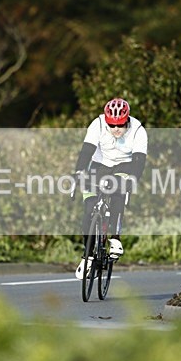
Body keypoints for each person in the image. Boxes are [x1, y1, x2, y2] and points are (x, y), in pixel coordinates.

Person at [73, 98, 148, 279]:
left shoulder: (138, 130)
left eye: (121, 125)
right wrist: (78, 172)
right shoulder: (97, 125)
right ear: (106, 120)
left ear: (127, 120)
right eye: (112, 125)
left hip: (124, 166)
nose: (116, 129)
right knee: (89, 209)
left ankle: (115, 238)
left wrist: (132, 179)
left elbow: (139, 161)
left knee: (117, 191)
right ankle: (88, 256)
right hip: (99, 165)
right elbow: (86, 152)